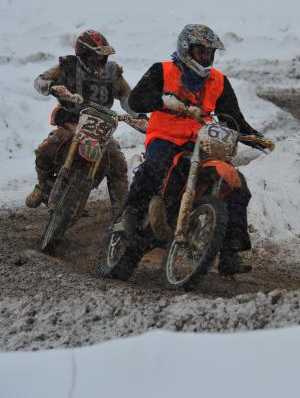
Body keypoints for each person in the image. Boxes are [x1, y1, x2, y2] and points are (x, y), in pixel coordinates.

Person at [125, 24, 264, 275]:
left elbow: (233, 118)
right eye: (201, 51)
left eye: (210, 53)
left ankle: (230, 253)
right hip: (165, 136)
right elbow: (136, 101)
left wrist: (257, 138)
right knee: (156, 166)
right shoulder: (163, 70)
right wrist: (162, 100)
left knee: (236, 185)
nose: (206, 57)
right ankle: (132, 214)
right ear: (186, 49)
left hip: (201, 142)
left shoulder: (218, 81)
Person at [25, 30, 146, 215]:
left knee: (118, 163)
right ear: (84, 55)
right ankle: (43, 186)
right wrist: (53, 87)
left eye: (103, 56)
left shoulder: (113, 72)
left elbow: (126, 97)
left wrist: (140, 118)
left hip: (99, 126)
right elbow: (40, 80)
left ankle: (121, 214)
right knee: (46, 149)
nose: (100, 60)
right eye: (96, 56)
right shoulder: (67, 65)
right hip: (71, 120)